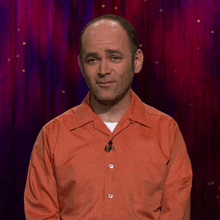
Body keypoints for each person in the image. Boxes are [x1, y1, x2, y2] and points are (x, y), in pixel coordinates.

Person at [24, 14, 193, 219]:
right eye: (93, 59)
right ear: (81, 66)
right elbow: (41, 214)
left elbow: (176, 213)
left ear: (137, 61)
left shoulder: (166, 131)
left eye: (114, 57)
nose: (103, 70)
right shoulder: (53, 135)